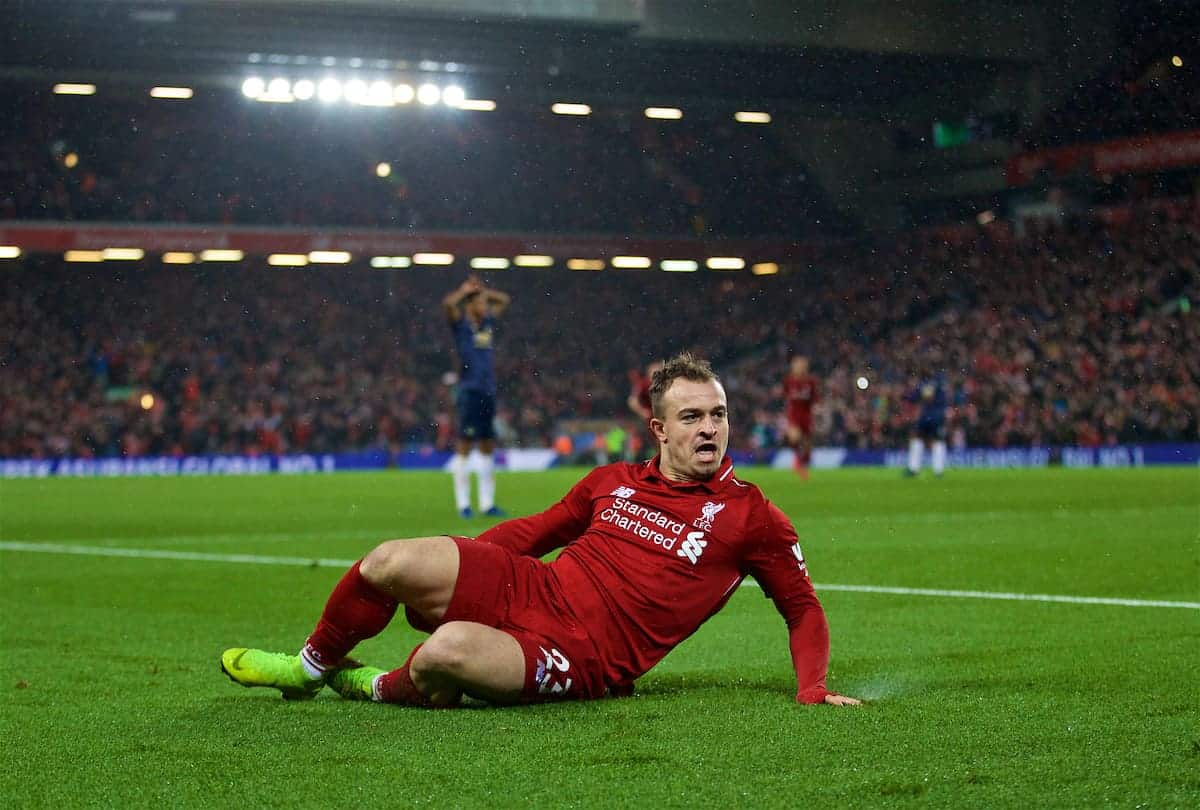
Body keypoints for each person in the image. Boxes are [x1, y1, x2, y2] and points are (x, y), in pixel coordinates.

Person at [220, 353, 861, 709]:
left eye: (718, 415)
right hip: (534, 589)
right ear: (660, 430)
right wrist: (460, 570)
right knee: (388, 561)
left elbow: (801, 607)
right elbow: (534, 532)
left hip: (588, 656)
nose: (709, 429)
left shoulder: (754, 517)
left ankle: (375, 686)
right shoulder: (611, 480)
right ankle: (308, 670)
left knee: (447, 651)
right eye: (691, 416)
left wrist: (813, 688)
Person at [442, 276, 510, 517]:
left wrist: (482, 291)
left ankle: (487, 503)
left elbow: (504, 300)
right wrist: (465, 291)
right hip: (469, 392)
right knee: (464, 446)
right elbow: (448, 305)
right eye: (480, 302)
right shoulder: (461, 326)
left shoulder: (487, 324)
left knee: (487, 446)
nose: (485, 306)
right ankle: (463, 505)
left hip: (488, 392)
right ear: (470, 305)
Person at [782, 356, 820, 479]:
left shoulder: (811, 382)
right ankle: (798, 463)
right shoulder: (788, 381)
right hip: (794, 415)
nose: (799, 368)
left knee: (808, 446)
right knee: (795, 438)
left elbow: (815, 399)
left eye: (802, 366)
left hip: (807, 416)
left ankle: (803, 464)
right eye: (797, 365)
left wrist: (817, 410)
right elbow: (785, 397)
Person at [905, 373, 949, 476]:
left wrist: (908, 394)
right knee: (937, 440)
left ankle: (913, 468)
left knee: (918, 438)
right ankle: (938, 470)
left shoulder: (925, 384)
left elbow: (914, 397)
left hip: (927, 416)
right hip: (937, 416)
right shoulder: (940, 384)